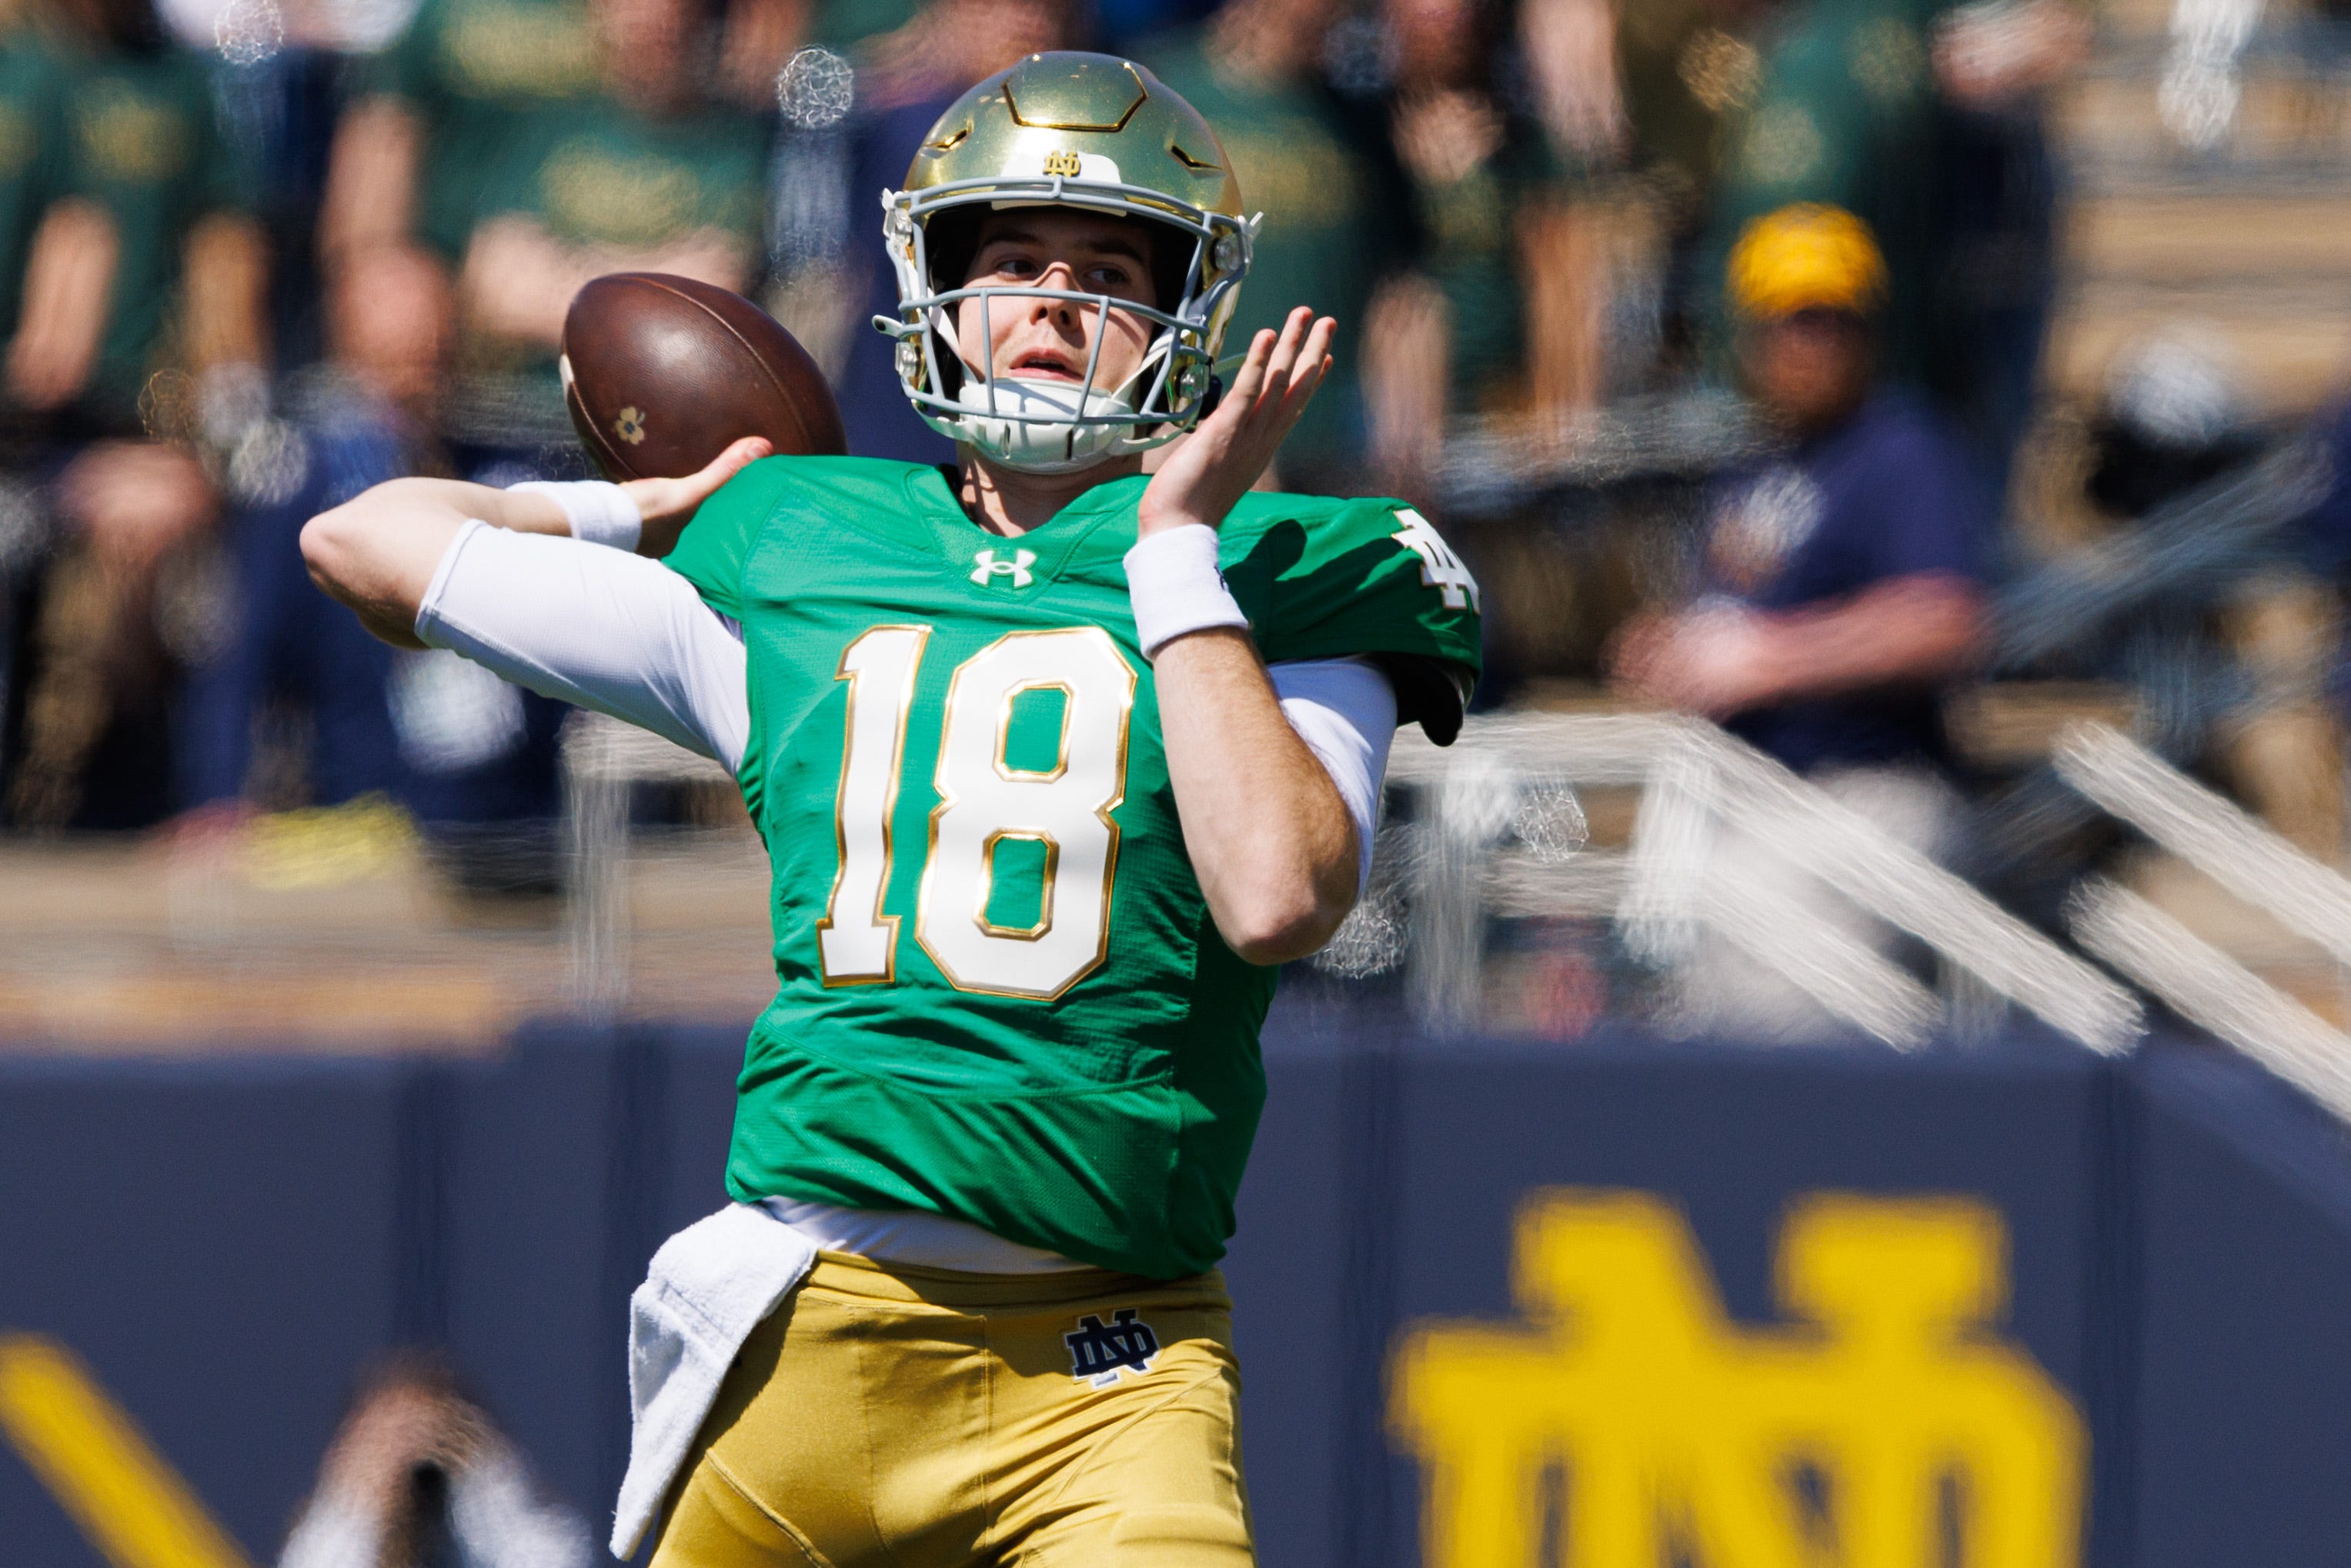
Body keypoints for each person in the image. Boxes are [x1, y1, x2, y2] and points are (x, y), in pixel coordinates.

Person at [301, 51, 1480, 1563]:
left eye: (1110, 268)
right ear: (931, 283)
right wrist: (638, 508)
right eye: (1015, 260)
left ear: (1188, 314)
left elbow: (1277, 894)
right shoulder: (797, 537)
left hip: (1108, 1376)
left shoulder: (1299, 560)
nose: (1055, 302)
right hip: (805, 1328)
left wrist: (1177, 557)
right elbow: (361, 540)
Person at [1612, 202, 1989, 1033]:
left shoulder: (1900, 448)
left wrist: (1764, 658)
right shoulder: (1752, 464)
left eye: (1834, 321)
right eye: (1793, 321)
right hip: (1747, 793)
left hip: (1865, 790)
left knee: (1778, 1023)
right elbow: (1731, 619)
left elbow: (1948, 619)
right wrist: (1672, 649)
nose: (1813, 343)